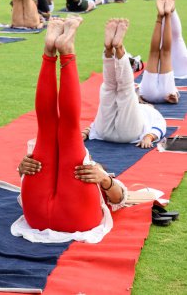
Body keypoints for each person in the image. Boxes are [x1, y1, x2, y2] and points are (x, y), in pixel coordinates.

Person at [13, 17, 121, 240]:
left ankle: (55, 51)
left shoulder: (93, 172)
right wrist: (22, 168)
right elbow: (119, 198)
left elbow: (119, 196)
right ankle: (56, 50)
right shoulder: (85, 169)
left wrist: (104, 179)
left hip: (44, 216)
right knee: (53, 129)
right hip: (56, 217)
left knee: (52, 129)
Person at [83, 18, 166, 150]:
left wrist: (148, 137)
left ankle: (113, 49)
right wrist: (85, 133)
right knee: (112, 89)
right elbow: (161, 126)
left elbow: (161, 126)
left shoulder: (150, 111)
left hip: (113, 133)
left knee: (117, 89)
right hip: (108, 133)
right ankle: (112, 49)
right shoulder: (147, 111)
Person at [139, 0, 179, 104]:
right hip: (166, 95)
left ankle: (162, 15)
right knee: (155, 53)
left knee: (165, 53)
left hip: (154, 94)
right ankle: (166, 14)